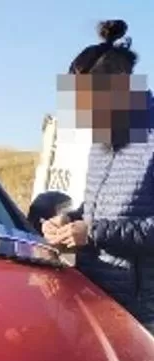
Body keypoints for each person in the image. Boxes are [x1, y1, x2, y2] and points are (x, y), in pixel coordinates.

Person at [43, 19, 154, 331]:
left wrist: (92, 232)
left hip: (143, 319)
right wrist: (69, 220)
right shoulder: (103, 140)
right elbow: (96, 211)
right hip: (97, 301)